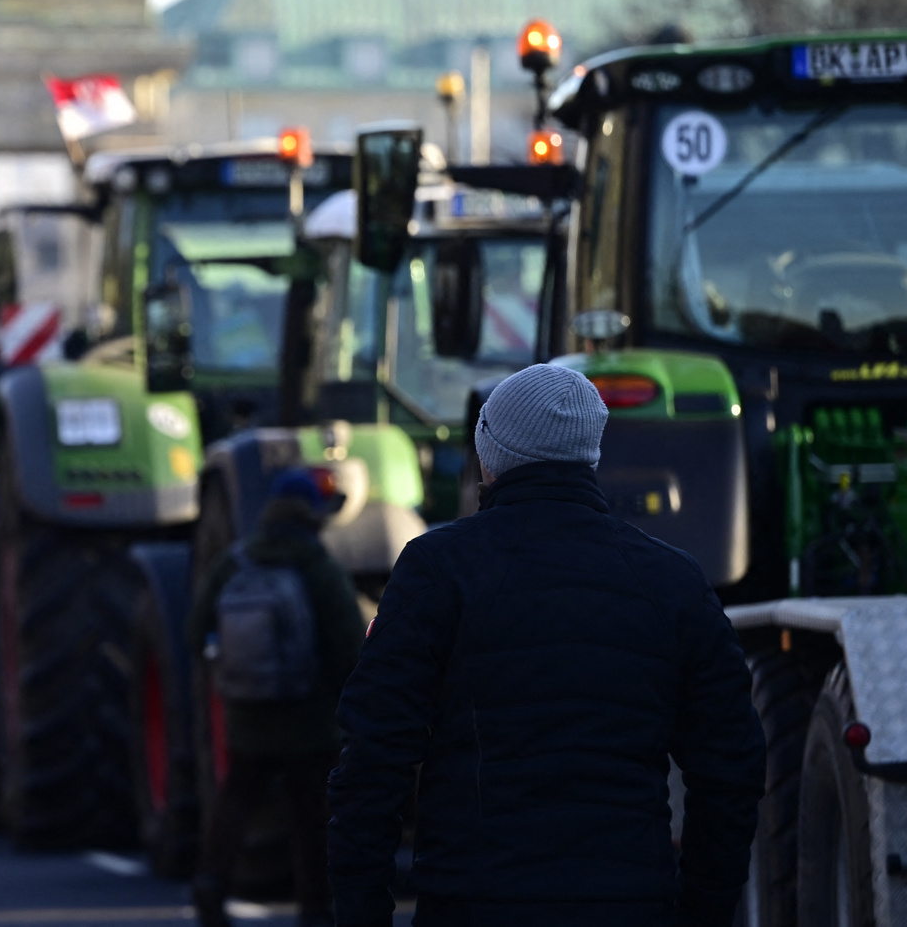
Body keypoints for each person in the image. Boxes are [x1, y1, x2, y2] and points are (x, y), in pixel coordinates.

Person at [327, 364, 767, 927]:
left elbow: (372, 761)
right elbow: (731, 767)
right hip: (629, 906)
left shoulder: (438, 569)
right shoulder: (673, 580)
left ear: (491, 452)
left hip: (474, 905)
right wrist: (702, 910)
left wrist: (362, 913)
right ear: (590, 454)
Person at [188, 468, 365, 927]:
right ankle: (314, 906)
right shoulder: (319, 567)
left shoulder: (235, 562)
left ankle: (211, 882)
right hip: (310, 719)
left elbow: (195, 631)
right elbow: (348, 644)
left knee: (236, 800)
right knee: (310, 814)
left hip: (248, 713)